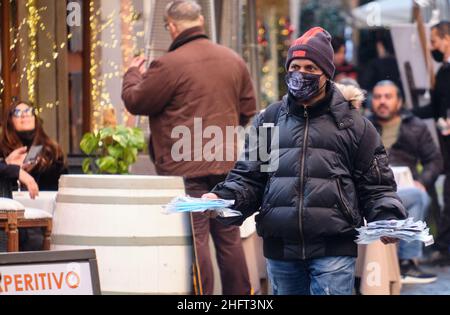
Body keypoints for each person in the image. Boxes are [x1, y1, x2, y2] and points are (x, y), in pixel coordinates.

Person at [203, 27, 407, 295]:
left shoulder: (355, 125)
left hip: (333, 249)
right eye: (295, 66)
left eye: (310, 67)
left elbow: (377, 186)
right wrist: (223, 199)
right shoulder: (270, 120)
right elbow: (250, 178)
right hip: (281, 251)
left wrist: (387, 217)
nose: (301, 73)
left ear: (326, 74)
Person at [122, 0, 255, 295]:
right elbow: (248, 110)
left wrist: (132, 73)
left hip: (186, 169)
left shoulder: (168, 65)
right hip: (226, 165)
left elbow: (137, 101)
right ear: (201, 22)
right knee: (229, 238)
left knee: (195, 239)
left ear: (170, 26)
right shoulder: (233, 60)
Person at [370, 80, 443, 284]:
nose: (382, 102)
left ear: (399, 101)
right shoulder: (363, 125)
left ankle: (407, 263)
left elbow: (434, 160)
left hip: (403, 190)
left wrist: (423, 181)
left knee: (418, 195)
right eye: (377, 97)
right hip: (369, 192)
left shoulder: (415, 126)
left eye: (388, 96)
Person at [0, 100, 67, 251]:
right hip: (10, 221)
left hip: (43, 218)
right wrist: (9, 166)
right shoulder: (2, 150)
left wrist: (40, 167)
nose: (24, 116)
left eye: (29, 111)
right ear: (9, 120)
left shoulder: (50, 150)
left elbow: (58, 185)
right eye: (18, 113)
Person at [414, 21, 450, 266]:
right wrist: (412, 112)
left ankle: (445, 245)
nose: (432, 46)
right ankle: (445, 245)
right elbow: (438, 107)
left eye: (435, 41)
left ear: (446, 38)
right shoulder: (443, 70)